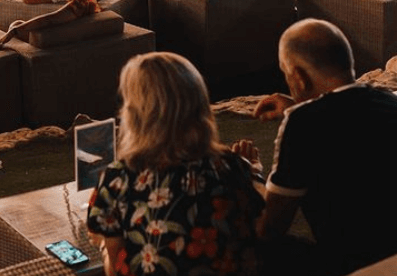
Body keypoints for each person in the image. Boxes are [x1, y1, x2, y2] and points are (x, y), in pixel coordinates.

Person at [241, 20, 397, 274]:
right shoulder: (393, 103)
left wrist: (250, 173)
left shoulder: (303, 124)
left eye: (286, 73)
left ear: (298, 79)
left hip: (375, 267)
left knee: (255, 241)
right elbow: (351, 123)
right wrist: (296, 105)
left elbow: (270, 228)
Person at [87, 52, 264, 276]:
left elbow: (115, 269)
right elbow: (258, 232)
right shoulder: (231, 166)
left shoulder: (118, 178)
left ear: (134, 114)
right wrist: (254, 173)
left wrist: (104, 244)